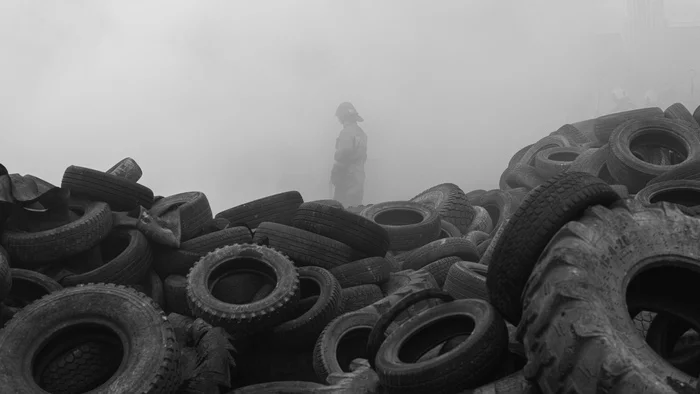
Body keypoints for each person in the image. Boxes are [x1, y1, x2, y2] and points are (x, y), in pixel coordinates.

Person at [330, 102, 368, 207]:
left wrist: (335, 173)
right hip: (357, 180)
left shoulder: (347, 132)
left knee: (340, 212)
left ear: (343, 117)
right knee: (355, 209)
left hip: (345, 180)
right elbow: (361, 156)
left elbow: (344, 154)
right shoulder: (361, 133)